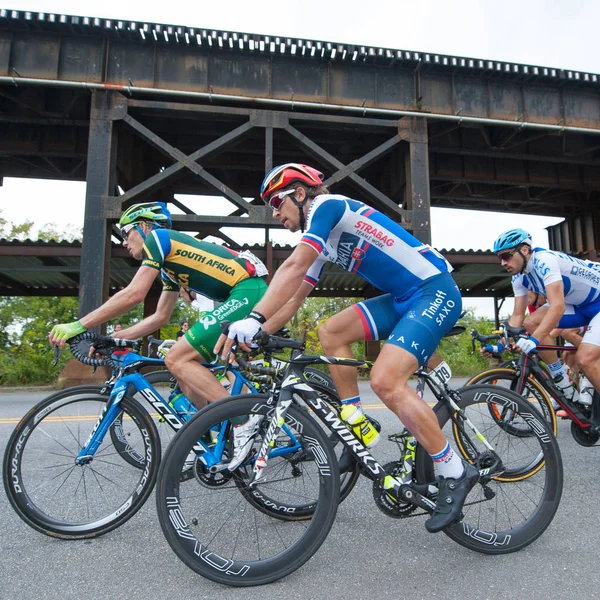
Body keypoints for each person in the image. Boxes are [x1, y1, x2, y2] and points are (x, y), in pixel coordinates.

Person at [215, 162, 478, 533]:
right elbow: (293, 297)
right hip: (403, 297)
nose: (275, 214)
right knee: (332, 331)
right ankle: (355, 421)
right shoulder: (322, 238)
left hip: (434, 291)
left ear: (301, 193)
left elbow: (292, 266)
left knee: (387, 382)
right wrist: (259, 335)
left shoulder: (328, 207)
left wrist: (254, 317)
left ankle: (454, 470)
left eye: (277, 203)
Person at [49, 201, 269, 468]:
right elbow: (159, 317)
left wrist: (79, 325)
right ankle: (209, 436)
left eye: (125, 232)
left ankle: (243, 418)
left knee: (176, 358)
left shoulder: (157, 238)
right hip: (238, 294)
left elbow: (134, 293)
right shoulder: (170, 267)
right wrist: (112, 339)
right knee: (184, 369)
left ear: (143, 226)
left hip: (247, 289)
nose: (123, 242)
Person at [493, 228, 600, 408]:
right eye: (500, 258)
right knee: (531, 322)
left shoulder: (545, 261)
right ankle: (562, 382)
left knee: (585, 359)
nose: (503, 262)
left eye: (506, 255)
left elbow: (558, 306)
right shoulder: (519, 276)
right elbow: (518, 316)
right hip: (580, 305)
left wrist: (534, 340)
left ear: (525, 250)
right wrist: (500, 345)